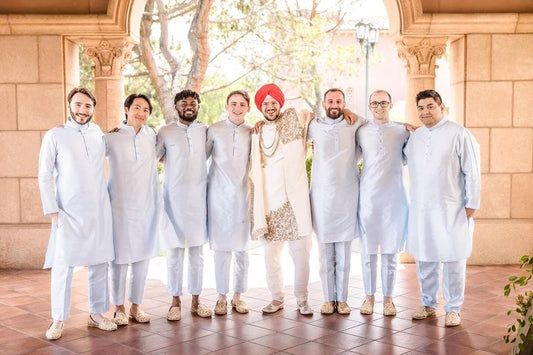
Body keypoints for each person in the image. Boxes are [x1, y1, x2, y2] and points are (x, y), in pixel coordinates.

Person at [250, 83, 358, 315]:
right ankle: (277, 298)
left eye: (273, 102)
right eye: (265, 104)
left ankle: (302, 299)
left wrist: (348, 111)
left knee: (301, 255)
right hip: (270, 202)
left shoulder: (297, 119)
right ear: (260, 107)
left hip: (296, 201)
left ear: (280, 103)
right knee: (271, 256)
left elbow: (328, 117)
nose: (270, 107)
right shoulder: (257, 131)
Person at [38, 87, 117, 340]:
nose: (82, 110)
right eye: (78, 105)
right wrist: (53, 211)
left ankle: (96, 315)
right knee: (64, 265)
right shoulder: (55, 135)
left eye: (87, 106)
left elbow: (115, 148)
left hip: (98, 210)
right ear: (69, 105)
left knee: (98, 263)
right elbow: (44, 173)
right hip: (67, 212)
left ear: (93, 108)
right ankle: (58, 319)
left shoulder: (98, 134)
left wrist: (119, 132)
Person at [404, 89, 480, 327]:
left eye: (430, 106)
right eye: (421, 108)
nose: (425, 112)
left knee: (453, 258)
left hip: (452, 208)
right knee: (425, 258)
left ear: (441, 107)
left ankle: (453, 308)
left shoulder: (459, 133)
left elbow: (472, 171)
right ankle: (428, 304)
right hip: (422, 209)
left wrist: (472, 204)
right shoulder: (415, 137)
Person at [104, 94, 176, 326]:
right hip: (119, 208)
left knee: (142, 259)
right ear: (126, 109)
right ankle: (118, 308)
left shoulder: (151, 136)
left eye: (146, 109)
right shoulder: (111, 137)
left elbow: (164, 156)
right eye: (137, 108)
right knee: (119, 260)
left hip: (146, 206)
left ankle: (136, 306)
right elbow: (87, 153)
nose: (141, 113)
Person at [308, 88, 364, 315]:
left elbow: (381, 123)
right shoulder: (313, 125)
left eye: (339, 101)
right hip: (321, 197)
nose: (335, 104)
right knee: (324, 255)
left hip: (347, 196)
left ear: (344, 103)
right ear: (323, 103)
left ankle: (342, 300)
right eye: (330, 100)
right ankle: (327, 298)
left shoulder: (355, 122)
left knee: (344, 254)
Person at [157, 89, 212, 320]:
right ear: (176, 107)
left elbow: (209, 155)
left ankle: (197, 301)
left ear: (198, 106)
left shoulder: (205, 131)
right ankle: (175, 302)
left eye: (192, 103)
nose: (188, 106)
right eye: (183, 103)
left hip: (199, 200)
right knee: (174, 253)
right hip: (173, 201)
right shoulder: (165, 132)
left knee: (197, 254)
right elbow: (156, 157)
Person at [357, 90, 409, 316]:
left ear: (391, 104)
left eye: (383, 103)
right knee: (368, 251)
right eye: (374, 103)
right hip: (367, 198)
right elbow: (353, 157)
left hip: (393, 198)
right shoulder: (361, 131)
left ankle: (389, 300)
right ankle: (369, 298)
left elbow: (408, 157)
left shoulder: (402, 131)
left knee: (390, 251)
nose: (379, 107)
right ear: (369, 105)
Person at [207, 90, 256, 315]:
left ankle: (238, 296)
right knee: (221, 250)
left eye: (242, 104)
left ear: (248, 108)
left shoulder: (252, 132)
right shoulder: (214, 130)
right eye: (233, 104)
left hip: (243, 196)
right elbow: (199, 158)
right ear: (226, 106)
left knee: (242, 250)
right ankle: (220, 297)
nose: (237, 108)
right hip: (217, 197)